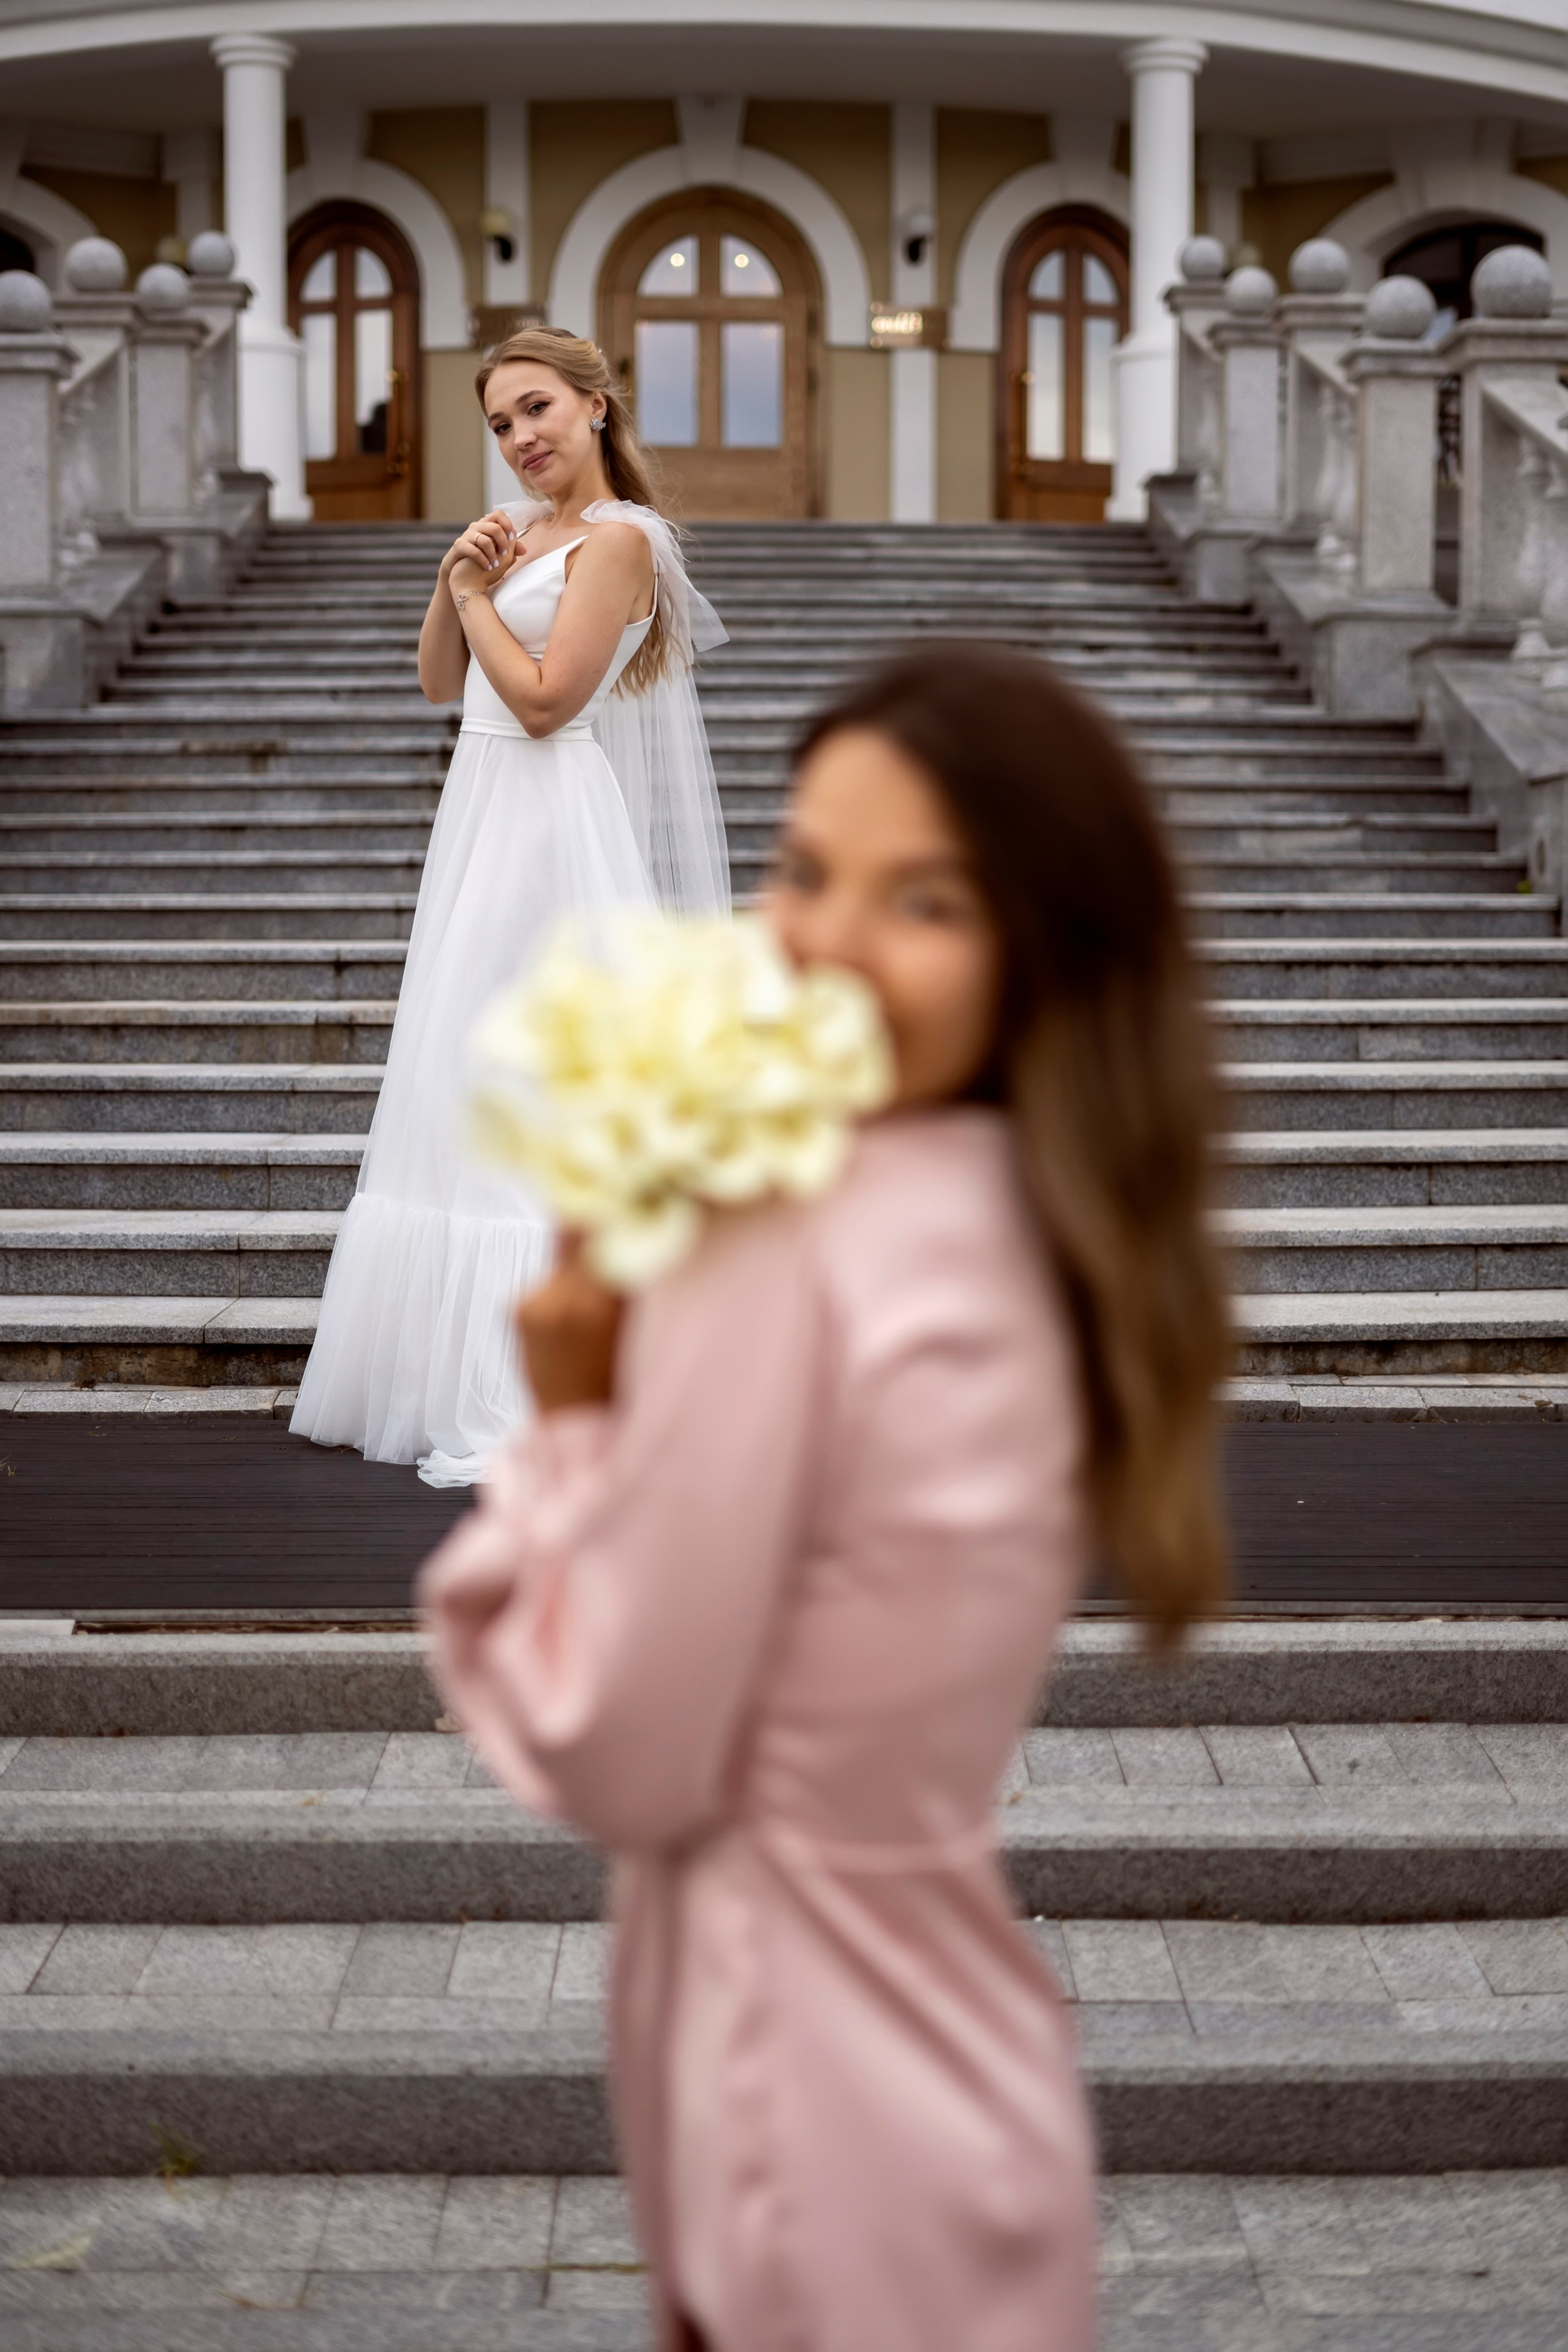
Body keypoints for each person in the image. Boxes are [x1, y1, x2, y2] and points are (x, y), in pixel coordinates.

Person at [420, 644, 1231, 2351]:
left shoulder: (789, 1240)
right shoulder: (1044, 1223)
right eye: (801, 871)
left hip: (808, 2128)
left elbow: (618, 1747)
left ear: (1046, 941)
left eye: (923, 899)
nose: (826, 946)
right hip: (956, 2078)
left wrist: (569, 1426)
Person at [291, 328, 729, 1487]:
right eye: (498, 423)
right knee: (457, 1071)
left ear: (595, 406)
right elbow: (445, 682)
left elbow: (542, 702)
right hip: (479, 821)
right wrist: (455, 581)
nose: (520, 438)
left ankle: (556, 1365)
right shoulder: (518, 535)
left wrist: (481, 592)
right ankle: (438, 1368)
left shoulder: (627, 542)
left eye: (536, 409)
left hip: (551, 827)